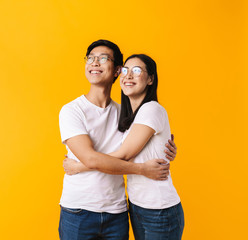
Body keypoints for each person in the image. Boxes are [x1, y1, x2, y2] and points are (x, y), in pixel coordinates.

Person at [58, 40, 177, 240]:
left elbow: (136, 150)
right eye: (91, 58)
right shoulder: (71, 111)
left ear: (116, 70)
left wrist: (166, 149)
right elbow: (91, 158)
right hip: (79, 209)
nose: (95, 62)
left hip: (117, 212)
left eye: (103, 58)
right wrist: (143, 169)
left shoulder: (125, 115)